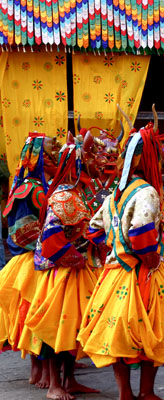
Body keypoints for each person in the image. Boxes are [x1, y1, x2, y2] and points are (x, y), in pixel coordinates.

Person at [78, 124, 164, 400]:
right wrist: (151, 259)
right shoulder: (147, 192)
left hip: (115, 274)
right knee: (152, 332)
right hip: (143, 272)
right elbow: (140, 231)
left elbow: (92, 229)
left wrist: (113, 244)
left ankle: (125, 393)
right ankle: (147, 392)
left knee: (118, 337)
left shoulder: (115, 194)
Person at [23, 134, 99, 400]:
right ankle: (54, 384)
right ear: (77, 166)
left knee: (73, 329)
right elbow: (53, 242)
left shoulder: (76, 193)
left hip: (77, 271)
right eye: (89, 160)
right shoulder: (65, 197)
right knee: (57, 328)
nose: (95, 163)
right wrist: (77, 259)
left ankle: (70, 380)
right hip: (63, 273)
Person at [0, 134, 60, 388]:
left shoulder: (26, 186)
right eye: (49, 155)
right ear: (37, 159)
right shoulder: (33, 189)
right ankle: (46, 374)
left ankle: (37, 371)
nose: (54, 158)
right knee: (39, 317)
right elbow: (23, 230)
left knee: (30, 316)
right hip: (33, 260)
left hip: (26, 259)